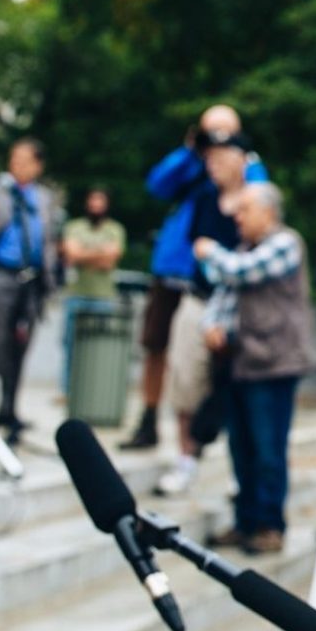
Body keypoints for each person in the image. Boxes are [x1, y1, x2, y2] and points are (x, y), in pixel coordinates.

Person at [125, 104, 267, 451]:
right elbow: (157, 185)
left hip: (217, 280)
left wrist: (241, 160)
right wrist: (189, 151)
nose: (215, 143)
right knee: (155, 344)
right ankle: (149, 419)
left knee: (216, 358)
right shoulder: (192, 163)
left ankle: (209, 430)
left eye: (224, 134)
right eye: (209, 133)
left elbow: (259, 205)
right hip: (174, 265)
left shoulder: (248, 167)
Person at [193, 183, 314, 555]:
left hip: (274, 365)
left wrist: (210, 249)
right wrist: (211, 327)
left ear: (268, 212)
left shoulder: (284, 244)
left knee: (268, 449)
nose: (237, 217)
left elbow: (241, 272)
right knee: (240, 447)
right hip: (240, 363)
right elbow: (221, 295)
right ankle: (244, 521)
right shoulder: (245, 248)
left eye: (245, 210)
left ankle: (269, 525)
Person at [157, 131, 250, 497]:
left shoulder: (256, 200)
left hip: (241, 306)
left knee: (236, 389)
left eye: (222, 158)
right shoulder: (202, 197)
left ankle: (238, 469)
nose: (214, 165)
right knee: (184, 380)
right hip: (198, 297)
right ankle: (186, 460)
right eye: (210, 159)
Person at [0, 138, 54, 445]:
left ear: (38, 166)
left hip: (30, 281)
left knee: (19, 347)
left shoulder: (43, 198)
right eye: (14, 159)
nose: (18, 165)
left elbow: (48, 240)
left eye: (25, 160)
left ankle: (9, 409)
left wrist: (48, 279)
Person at [58, 187, 125, 396]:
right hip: (76, 294)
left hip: (104, 296)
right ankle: (69, 391)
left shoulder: (115, 229)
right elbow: (72, 255)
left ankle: (97, 390)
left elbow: (111, 259)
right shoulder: (74, 226)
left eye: (100, 201)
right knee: (71, 346)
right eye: (92, 201)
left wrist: (84, 255)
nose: (96, 206)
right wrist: (98, 255)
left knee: (102, 348)